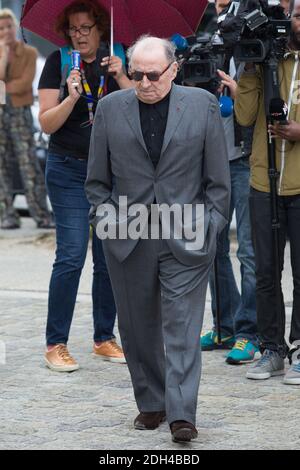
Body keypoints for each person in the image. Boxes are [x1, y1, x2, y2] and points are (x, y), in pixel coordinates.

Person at [85, 35, 230, 443]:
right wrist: (105, 221)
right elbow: (96, 180)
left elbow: (218, 181)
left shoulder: (200, 105)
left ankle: (182, 413)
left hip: (187, 232)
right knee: (136, 325)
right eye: (137, 75)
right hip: (127, 234)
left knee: (182, 327)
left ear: (174, 69)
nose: (145, 82)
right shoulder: (112, 108)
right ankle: (151, 402)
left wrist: (211, 225)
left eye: (153, 75)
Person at [38, 0, 132, 372]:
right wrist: (72, 95)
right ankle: (55, 342)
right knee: (72, 254)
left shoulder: (118, 59)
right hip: (66, 169)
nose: (78, 36)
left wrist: (123, 77)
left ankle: (104, 336)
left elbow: (140, 108)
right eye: (73, 29)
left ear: (100, 29)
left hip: (109, 172)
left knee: (108, 258)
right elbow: (47, 123)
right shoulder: (57, 62)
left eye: (85, 29)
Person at [235, 0, 300, 384]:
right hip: (264, 180)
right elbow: (244, 117)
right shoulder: (266, 61)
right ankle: (272, 347)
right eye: (296, 15)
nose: (298, 21)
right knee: (265, 272)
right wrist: (249, 68)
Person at [201, 0, 259, 365]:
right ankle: (224, 324)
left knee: (249, 251)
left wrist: (239, 90)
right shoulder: (206, 34)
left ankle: (248, 331)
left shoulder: (255, 44)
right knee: (211, 249)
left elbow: (268, 104)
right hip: (208, 161)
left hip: (244, 159)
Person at [0, 8, 53, 230]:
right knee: (1, 166)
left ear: (15, 27)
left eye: (9, 26)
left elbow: (25, 83)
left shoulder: (29, 53)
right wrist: (3, 55)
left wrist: (3, 88)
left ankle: (41, 214)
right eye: (1, 28)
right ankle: (7, 215)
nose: (6, 31)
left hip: (20, 112)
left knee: (28, 162)